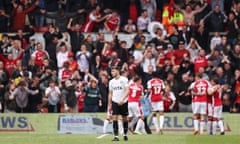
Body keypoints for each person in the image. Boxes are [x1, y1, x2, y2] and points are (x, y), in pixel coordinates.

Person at [108, 66, 129, 141]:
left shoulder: (124, 79)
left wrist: (122, 99)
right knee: (114, 118)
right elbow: (110, 93)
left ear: (117, 71)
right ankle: (116, 136)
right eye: (111, 71)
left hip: (123, 102)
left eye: (113, 71)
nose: (112, 73)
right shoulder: (111, 81)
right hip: (115, 101)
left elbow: (127, 91)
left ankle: (125, 134)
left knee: (125, 118)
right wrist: (109, 104)